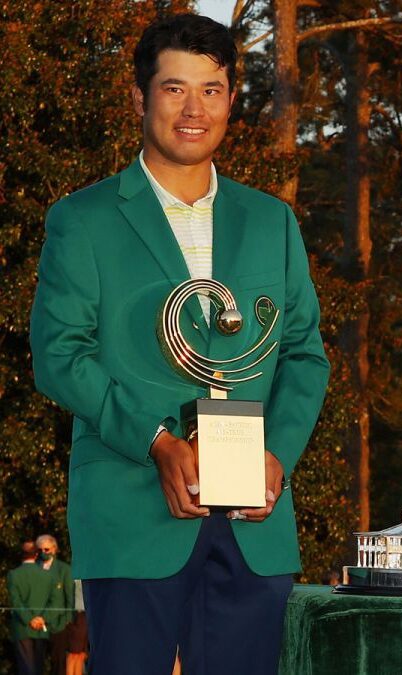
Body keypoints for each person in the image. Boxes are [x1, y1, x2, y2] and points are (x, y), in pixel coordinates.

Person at [29, 13, 330, 675]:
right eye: (174, 89)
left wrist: (277, 453)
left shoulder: (272, 221)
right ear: (140, 98)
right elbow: (59, 356)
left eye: (212, 90)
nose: (195, 109)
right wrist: (157, 443)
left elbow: (304, 352)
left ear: (230, 99)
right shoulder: (82, 220)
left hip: (255, 523)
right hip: (132, 507)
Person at [6, 541, 62, 675]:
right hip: (41, 628)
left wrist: (30, 619)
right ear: (36, 554)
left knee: (26, 669)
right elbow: (56, 602)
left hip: (22, 628)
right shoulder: (48, 575)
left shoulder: (14, 575)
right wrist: (42, 618)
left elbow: (15, 602)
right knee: (38, 668)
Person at [34, 535, 72, 675]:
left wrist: (68, 619)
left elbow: (69, 598)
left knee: (59, 661)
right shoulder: (33, 567)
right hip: (36, 624)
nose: (44, 552)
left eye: (47, 549)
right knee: (37, 662)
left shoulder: (64, 569)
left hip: (58, 624)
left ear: (54, 549)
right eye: (40, 549)